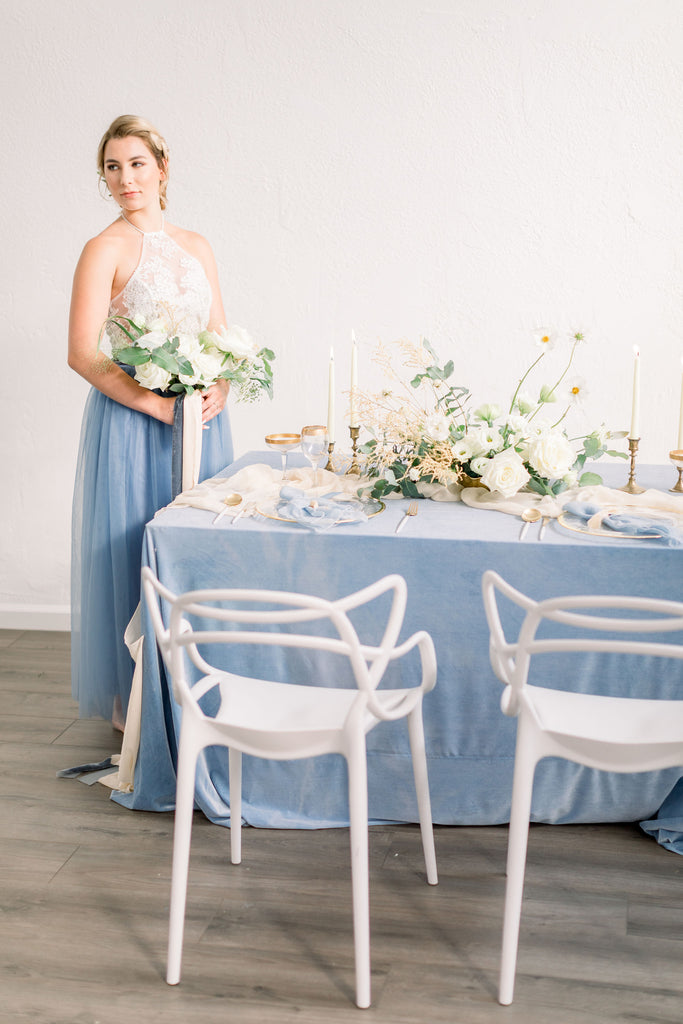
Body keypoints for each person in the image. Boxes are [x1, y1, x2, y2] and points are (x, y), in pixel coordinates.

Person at [69, 115, 233, 727]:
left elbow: (221, 336)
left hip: (199, 419)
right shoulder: (103, 249)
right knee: (133, 543)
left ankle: (196, 681)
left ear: (162, 169)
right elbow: (82, 350)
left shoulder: (197, 246)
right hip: (135, 423)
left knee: (197, 544)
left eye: (136, 164)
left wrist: (217, 386)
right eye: (112, 167)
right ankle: (134, 700)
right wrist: (154, 404)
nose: (125, 178)